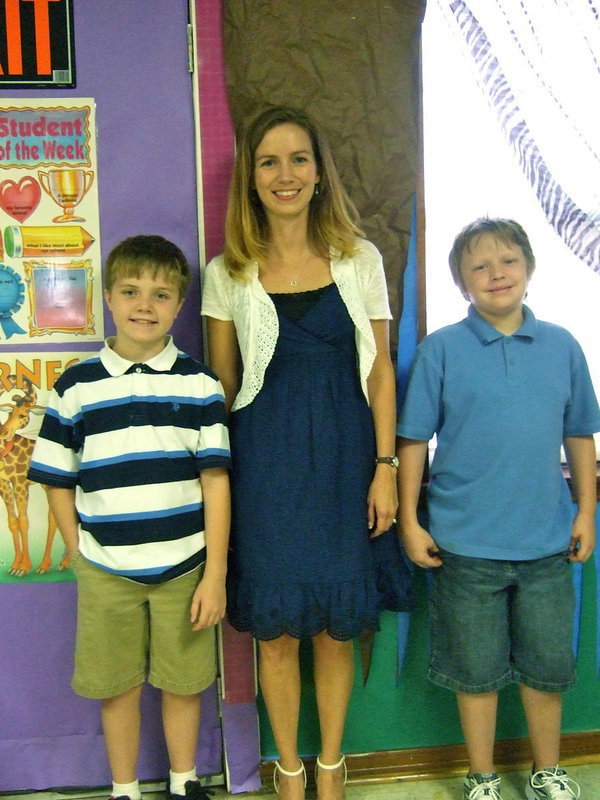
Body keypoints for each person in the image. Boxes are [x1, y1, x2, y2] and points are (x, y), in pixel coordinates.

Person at [202, 106, 413, 800]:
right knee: (279, 631)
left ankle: (332, 765)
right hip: (267, 469)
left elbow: (381, 370)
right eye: (269, 161)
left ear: (319, 172)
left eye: (298, 159)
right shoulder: (226, 271)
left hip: (351, 462)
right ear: (251, 178)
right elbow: (227, 386)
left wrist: (384, 469)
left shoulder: (361, 259)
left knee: (334, 626)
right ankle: (287, 766)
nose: (284, 174)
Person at [397, 217, 600, 800]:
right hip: (465, 547)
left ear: (529, 269)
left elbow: (580, 434)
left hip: (547, 544)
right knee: (475, 671)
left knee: (546, 670)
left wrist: (584, 511)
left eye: (508, 261)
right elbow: (413, 441)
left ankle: (547, 769)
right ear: (462, 283)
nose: (496, 275)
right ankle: (482, 775)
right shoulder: (441, 351)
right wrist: (411, 521)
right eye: (479, 267)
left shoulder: (563, 345)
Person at [28, 235, 231, 800]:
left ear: (180, 305)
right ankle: (124, 789)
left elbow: (216, 482)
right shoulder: (76, 384)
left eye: (162, 294)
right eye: (131, 291)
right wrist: (80, 550)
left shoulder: (199, 384)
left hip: (185, 569)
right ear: (109, 300)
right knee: (116, 686)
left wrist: (214, 573)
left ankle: (184, 781)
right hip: (106, 571)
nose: (145, 304)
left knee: (183, 683)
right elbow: (57, 480)